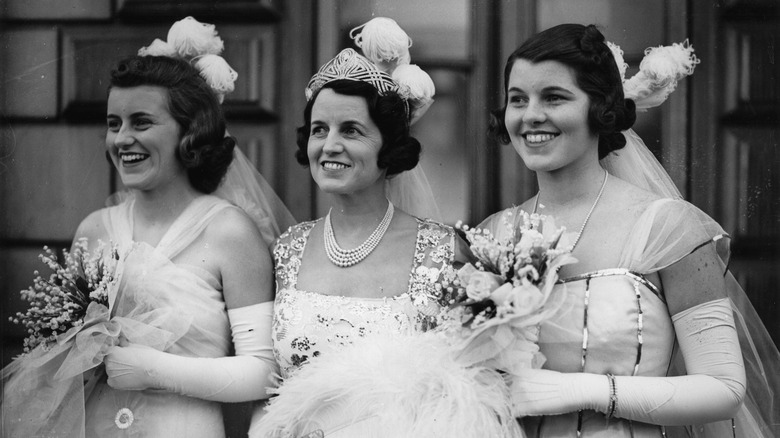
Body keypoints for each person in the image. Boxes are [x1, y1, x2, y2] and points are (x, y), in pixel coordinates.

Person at [1, 17, 295, 438]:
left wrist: (153, 371)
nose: (122, 139)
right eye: (113, 123)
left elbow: (263, 372)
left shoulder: (230, 232)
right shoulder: (94, 230)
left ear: (189, 132)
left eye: (141, 122)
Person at [482, 23, 780, 437]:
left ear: (600, 108)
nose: (531, 115)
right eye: (518, 100)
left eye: (554, 97)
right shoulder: (491, 236)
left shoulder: (666, 227)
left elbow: (724, 388)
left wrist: (580, 390)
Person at [250, 18, 521, 438]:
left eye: (352, 130)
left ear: (388, 148)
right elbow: (269, 387)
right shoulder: (287, 248)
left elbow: (473, 394)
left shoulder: (444, 251)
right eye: (319, 130)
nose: (330, 145)